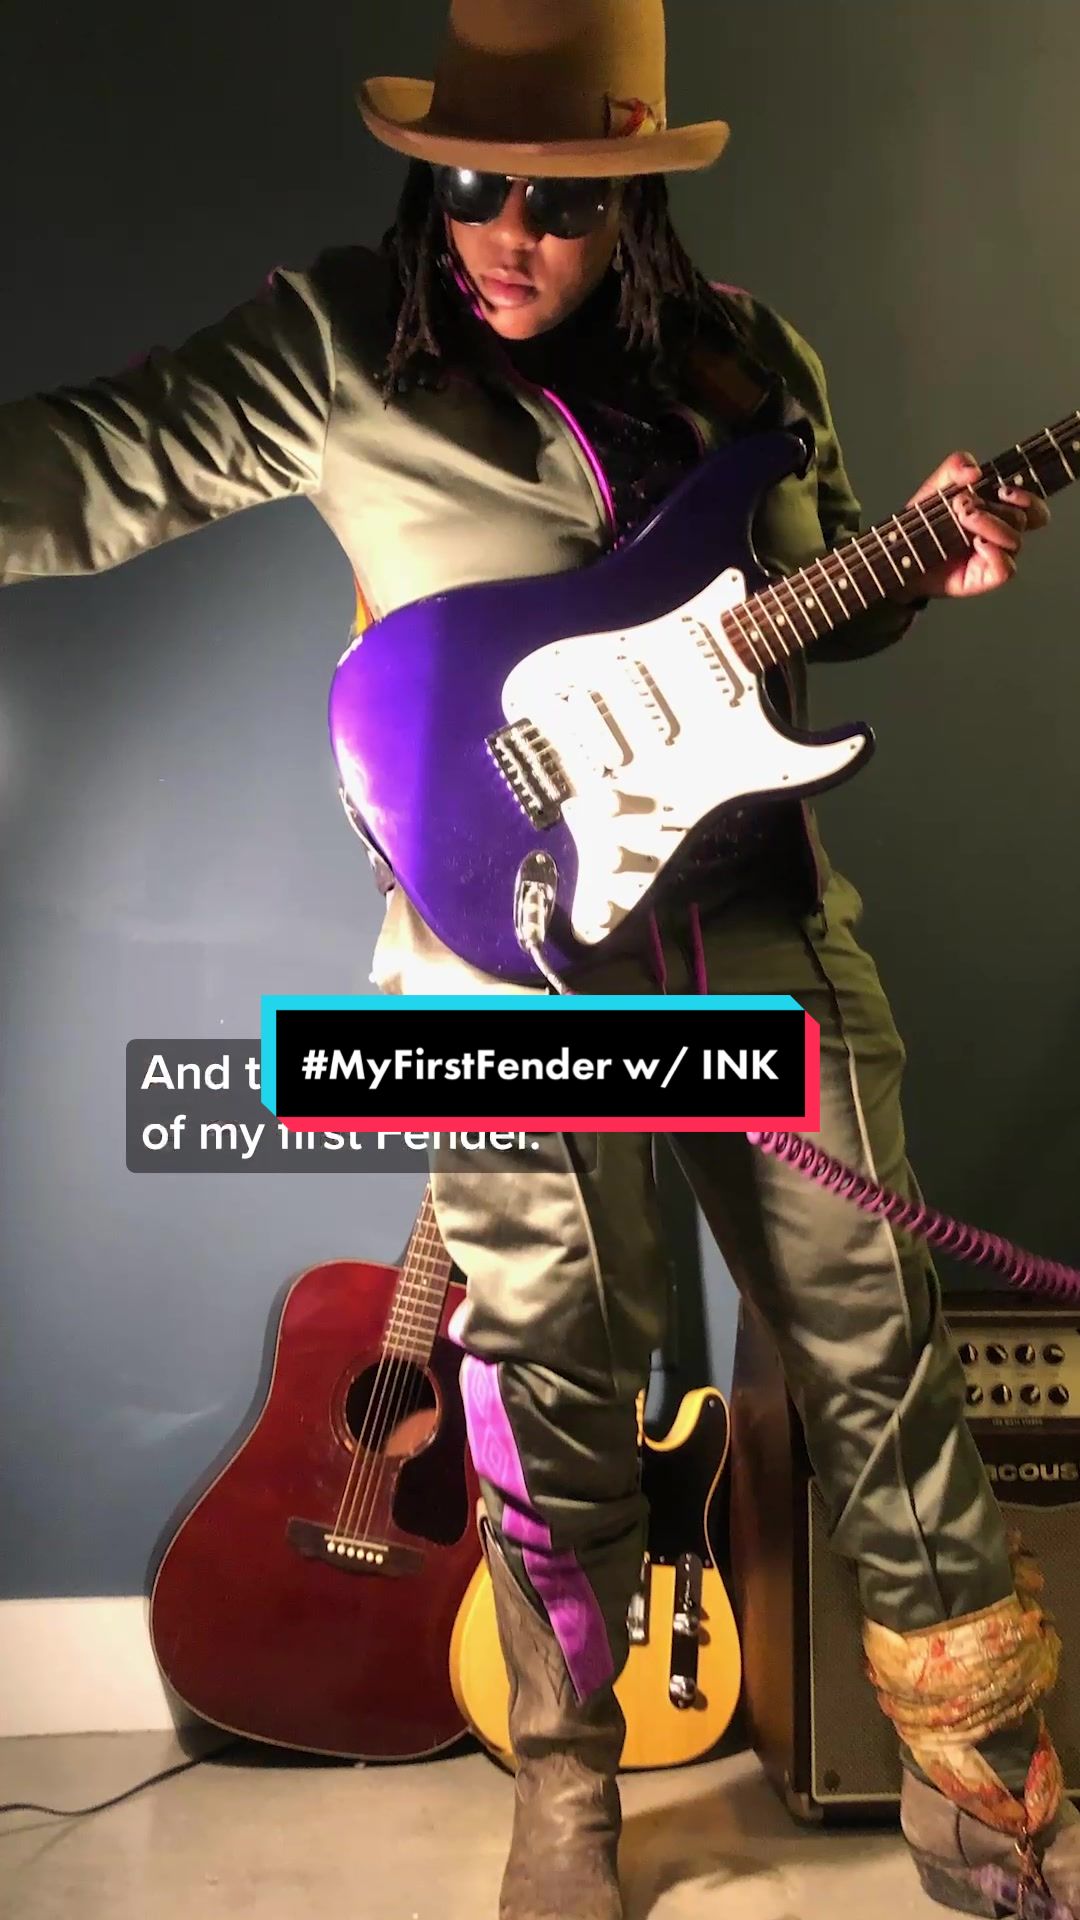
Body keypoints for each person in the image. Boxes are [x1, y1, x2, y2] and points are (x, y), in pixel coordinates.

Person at [0, 1, 1070, 1915]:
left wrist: (921, 560)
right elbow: (100, 458)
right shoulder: (342, 341)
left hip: (752, 924)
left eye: (562, 206)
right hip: (501, 965)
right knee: (548, 1365)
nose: (507, 232)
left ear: (635, 204)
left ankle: (977, 1774)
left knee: (878, 1342)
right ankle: (567, 1785)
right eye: (476, 185)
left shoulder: (751, 356)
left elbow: (806, 605)